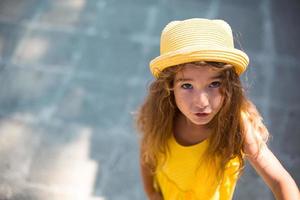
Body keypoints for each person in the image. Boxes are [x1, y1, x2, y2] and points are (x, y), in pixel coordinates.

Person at [135, 18, 299, 200]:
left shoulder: (236, 125)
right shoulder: (161, 113)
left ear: (229, 85)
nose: (201, 102)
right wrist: (152, 193)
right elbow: (147, 153)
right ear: (169, 86)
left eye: (214, 84)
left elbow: (280, 182)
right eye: (187, 86)